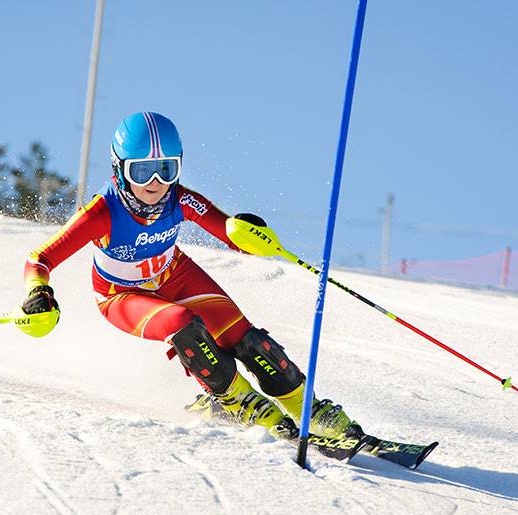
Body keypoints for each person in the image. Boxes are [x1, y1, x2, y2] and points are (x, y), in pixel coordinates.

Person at [18, 111, 360, 440]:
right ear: (119, 170)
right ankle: (237, 401)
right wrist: (38, 292)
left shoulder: (179, 200)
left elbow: (226, 230)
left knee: (244, 338)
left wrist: (248, 235)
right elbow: (41, 258)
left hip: (174, 275)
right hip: (120, 295)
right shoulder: (101, 212)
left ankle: (306, 406)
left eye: (166, 170)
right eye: (142, 172)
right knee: (182, 323)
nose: (156, 183)